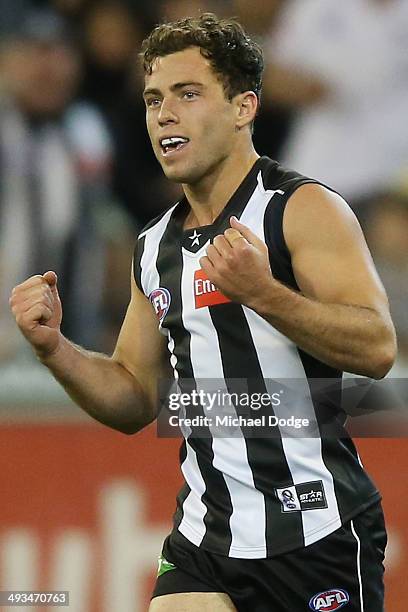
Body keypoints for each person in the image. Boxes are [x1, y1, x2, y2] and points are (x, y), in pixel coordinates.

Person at [10, 13, 397, 612]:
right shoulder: (153, 246)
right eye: (153, 100)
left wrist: (262, 292)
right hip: (204, 537)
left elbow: (376, 347)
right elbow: (134, 399)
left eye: (188, 95)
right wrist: (54, 349)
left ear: (244, 107)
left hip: (313, 532)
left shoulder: (300, 208)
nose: (164, 114)